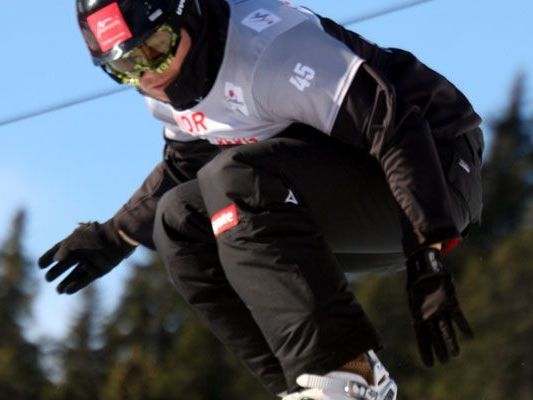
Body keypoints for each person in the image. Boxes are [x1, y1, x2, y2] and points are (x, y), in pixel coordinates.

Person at [38, 0, 484, 398]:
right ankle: (307, 386)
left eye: (156, 48)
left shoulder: (273, 48)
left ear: (186, 12)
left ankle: (351, 375)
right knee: (180, 220)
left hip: (435, 176)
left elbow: (396, 128)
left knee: (237, 178)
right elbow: (184, 163)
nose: (150, 74)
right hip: (341, 202)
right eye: (126, 68)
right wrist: (115, 236)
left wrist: (428, 251)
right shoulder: (167, 90)